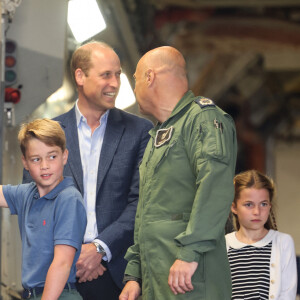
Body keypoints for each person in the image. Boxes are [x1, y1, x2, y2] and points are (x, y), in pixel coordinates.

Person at [24, 41, 153, 299]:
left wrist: (99, 248)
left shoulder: (139, 131)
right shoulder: (46, 134)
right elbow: (34, 205)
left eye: (117, 74)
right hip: (57, 276)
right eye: (106, 74)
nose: (115, 83)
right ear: (80, 76)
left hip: (117, 276)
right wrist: (71, 254)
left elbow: (141, 202)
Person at [119, 46, 237, 300]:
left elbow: (214, 186)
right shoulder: (159, 135)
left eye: (136, 79)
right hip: (158, 275)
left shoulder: (203, 119)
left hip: (189, 276)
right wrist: (135, 274)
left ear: (149, 77)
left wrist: (189, 253)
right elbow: (147, 212)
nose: (136, 87)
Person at [1, 118, 86, 300]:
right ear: (25, 163)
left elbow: (62, 263)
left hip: (58, 294)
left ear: (64, 156)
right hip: (32, 294)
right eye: (36, 159)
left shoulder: (68, 199)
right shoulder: (26, 194)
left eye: (52, 156)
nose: (44, 165)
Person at [225, 170, 297, 300]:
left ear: (270, 206)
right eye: (248, 204)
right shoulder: (224, 244)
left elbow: (287, 294)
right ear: (234, 207)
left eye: (263, 204)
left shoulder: (283, 242)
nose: (257, 211)